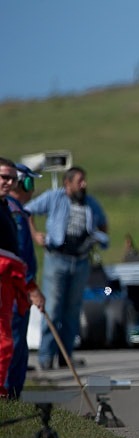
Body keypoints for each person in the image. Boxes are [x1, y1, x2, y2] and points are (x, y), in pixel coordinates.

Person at [25, 165, 109, 370]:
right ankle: (46, 357)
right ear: (67, 183)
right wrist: (35, 234)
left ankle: (66, 357)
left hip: (80, 261)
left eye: (84, 180)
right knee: (52, 309)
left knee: (72, 312)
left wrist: (97, 237)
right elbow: (27, 211)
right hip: (57, 259)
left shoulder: (90, 203)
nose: (84, 184)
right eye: (79, 180)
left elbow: (103, 223)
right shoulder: (55, 198)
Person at [5, 163, 46, 397]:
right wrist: (31, 287)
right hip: (17, 290)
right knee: (14, 343)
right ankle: (9, 394)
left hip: (19, 288)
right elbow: (19, 256)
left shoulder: (16, 211)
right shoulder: (16, 214)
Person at [0, 158, 36, 395]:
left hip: (10, 282)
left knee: (8, 342)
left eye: (13, 179)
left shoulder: (6, 208)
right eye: (5, 177)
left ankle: (7, 396)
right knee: (6, 340)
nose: (10, 183)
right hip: (6, 278)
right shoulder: (12, 210)